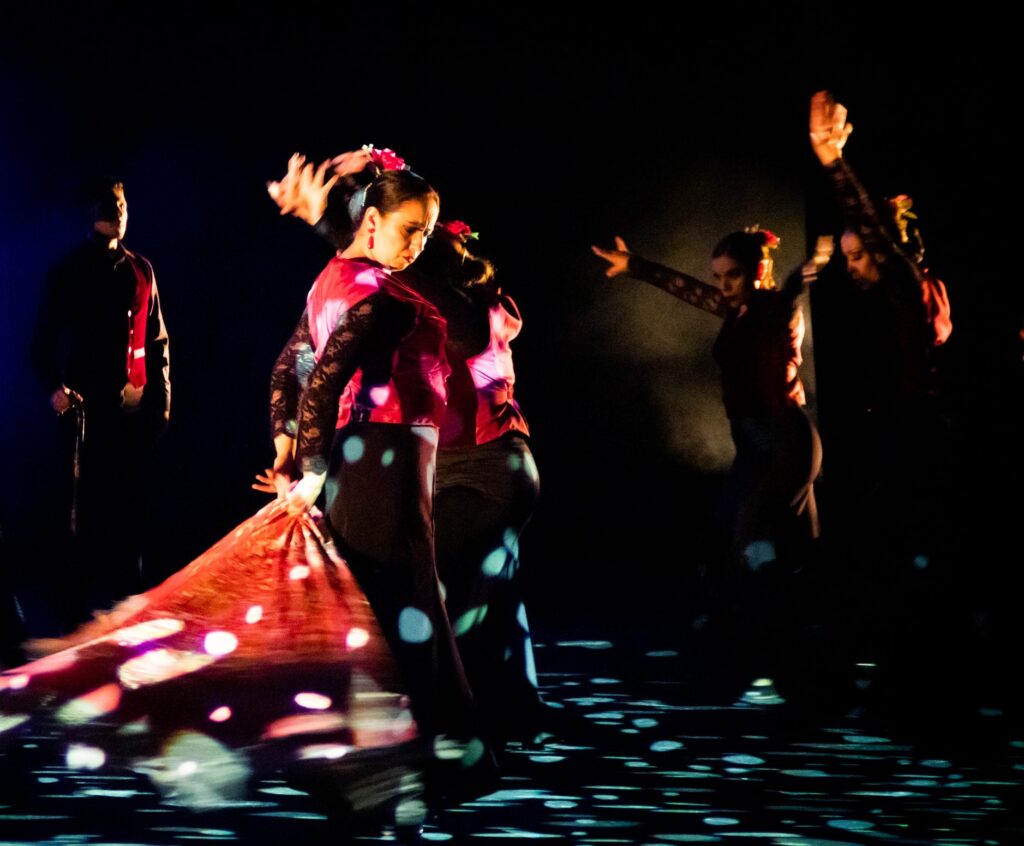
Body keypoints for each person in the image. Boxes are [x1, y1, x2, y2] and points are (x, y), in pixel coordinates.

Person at [265, 156, 549, 750]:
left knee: (427, 598)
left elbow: (322, 356)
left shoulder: (459, 310)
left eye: (424, 238)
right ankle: (495, 719)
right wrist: (296, 454)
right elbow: (304, 362)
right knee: (460, 594)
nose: (414, 251)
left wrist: (305, 461)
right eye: (409, 234)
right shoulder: (388, 291)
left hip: (486, 471)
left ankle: (445, 734)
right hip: (425, 466)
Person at [591, 229, 826, 697]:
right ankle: (794, 659)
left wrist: (814, 261)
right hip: (755, 447)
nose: (722, 285)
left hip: (784, 440)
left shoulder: (772, 307)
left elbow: (795, 284)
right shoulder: (736, 311)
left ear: (758, 271)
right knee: (766, 544)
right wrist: (637, 266)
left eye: (733, 275)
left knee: (750, 542)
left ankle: (772, 661)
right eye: (718, 276)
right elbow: (690, 290)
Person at [32, 176, 170, 623]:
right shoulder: (70, 269)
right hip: (85, 412)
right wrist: (54, 387)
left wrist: (160, 402)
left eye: (124, 202)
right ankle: (73, 610)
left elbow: (157, 339)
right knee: (82, 514)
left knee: (130, 511)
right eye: (113, 204)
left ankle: (125, 608)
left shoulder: (141, 269)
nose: (122, 211)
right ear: (94, 211)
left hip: (131, 413)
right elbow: (41, 341)